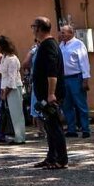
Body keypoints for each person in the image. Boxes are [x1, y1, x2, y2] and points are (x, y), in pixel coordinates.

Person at [30, 17, 67, 169]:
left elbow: (52, 72)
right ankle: (51, 157)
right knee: (49, 127)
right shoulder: (44, 45)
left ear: (38, 28)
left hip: (50, 95)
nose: (32, 29)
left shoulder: (49, 45)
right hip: (44, 94)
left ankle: (61, 159)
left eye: (33, 26)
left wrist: (51, 94)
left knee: (55, 127)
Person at [59, 25, 91, 138]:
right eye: (61, 32)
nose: (61, 34)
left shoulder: (79, 44)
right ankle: (71, 129)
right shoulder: (61, 45)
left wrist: (85, 79)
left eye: (64, 32)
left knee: (81, 104)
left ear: (71, 33)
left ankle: (85, 129)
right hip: (64, 79)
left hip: (76, 78)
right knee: (66, 105)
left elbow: (84, 63)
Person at [0, 36, 26, 144]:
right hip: (6, 88)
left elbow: (12, 78)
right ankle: (17, 136)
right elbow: (4, 75)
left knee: (17, 113)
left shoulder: (12, 59)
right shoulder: (4, 57)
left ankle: (20, 137)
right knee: (12, 113)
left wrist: (6, 91)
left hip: (13, 88)